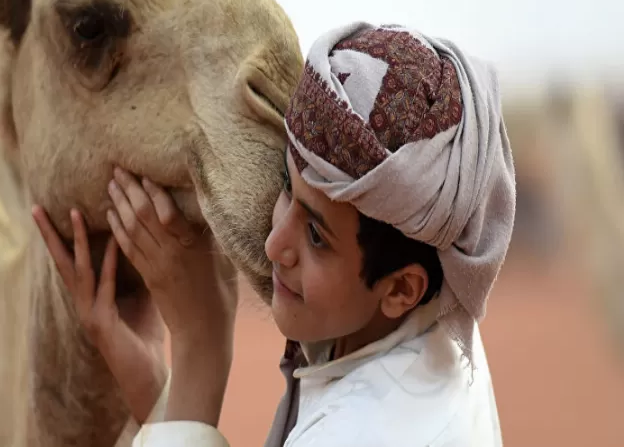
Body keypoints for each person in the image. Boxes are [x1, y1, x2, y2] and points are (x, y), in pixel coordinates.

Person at [33, 22, 516, 446]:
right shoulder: (433, 326)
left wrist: (200, 341)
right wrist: (155, 392)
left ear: (401, 288)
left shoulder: (357, 434)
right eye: (288, 186)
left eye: (317, 237)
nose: (274, 245)